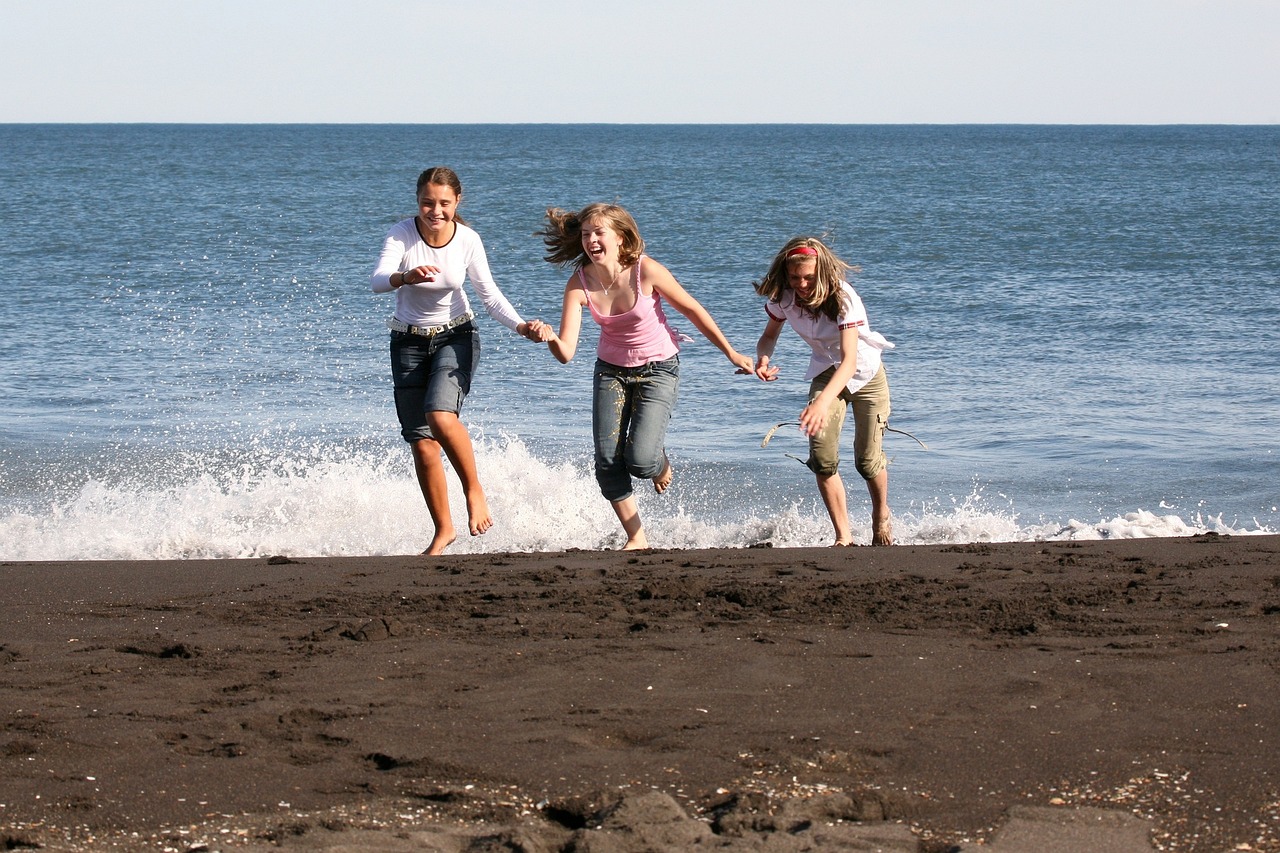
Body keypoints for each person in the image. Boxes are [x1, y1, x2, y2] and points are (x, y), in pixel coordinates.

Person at [526, 203, 753, 550]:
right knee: (606, 461)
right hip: (610, 372)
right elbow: (567, 353)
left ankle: (659, 462)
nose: (591, 241)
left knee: (641, 460)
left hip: (658, 367)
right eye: (586, 235)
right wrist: (550, 339)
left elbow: (692, 309)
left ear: (620, 237)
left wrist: (731, 353)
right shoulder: (579, 283)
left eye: (599, 232)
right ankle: (637, 536)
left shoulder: (645, 271)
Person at [370, 166, 539, 555]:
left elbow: (489, 295)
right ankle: (443, 531)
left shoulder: (467, 239)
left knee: (441, 416)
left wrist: (520, 327)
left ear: (456, 202)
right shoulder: (401, 234)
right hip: (407, 342)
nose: (435, 210)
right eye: (428, 202)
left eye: (444, 203)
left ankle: (474, 489)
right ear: (418, 201)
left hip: (455, 335)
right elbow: (378, 279)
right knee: (422, 443)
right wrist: (403, 277)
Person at [749, 237, 895, 546]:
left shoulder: (843, 297)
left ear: (822, 272)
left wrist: (820, 404)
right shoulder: (783, 299)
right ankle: (843, 536)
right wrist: (763, 358)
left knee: (867, 462)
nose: (801, 284)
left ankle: (881, 513)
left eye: (808, 277)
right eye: (794, 277)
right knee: (822, 457)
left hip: (865, 374)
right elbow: (768, 336)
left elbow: (850, 361)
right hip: (825, 369)